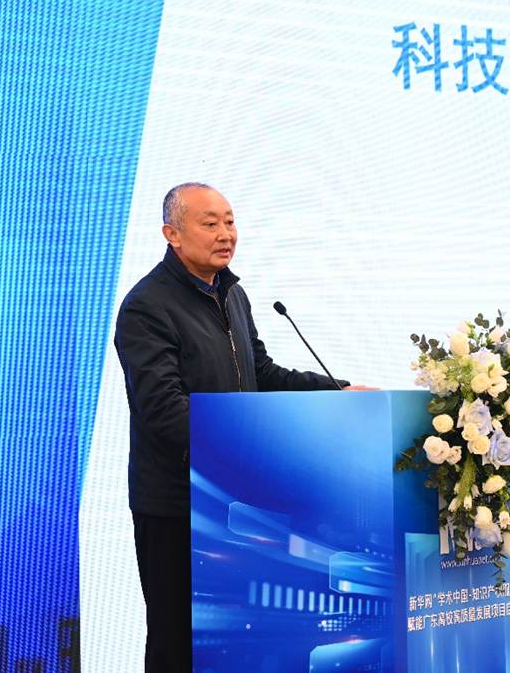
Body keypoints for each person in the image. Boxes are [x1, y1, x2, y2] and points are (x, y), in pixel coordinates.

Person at [114, 183, 360, 671]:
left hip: (238, 504)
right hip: (178, 506)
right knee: (178, 641)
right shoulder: (147, 305)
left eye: (230, 221)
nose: (225, 233)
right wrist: (250, 453)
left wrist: (338, 391)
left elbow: (260, 374)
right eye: (210, 223)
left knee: (235, 644)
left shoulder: (233, 295)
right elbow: (163, 410)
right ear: (172, 234)